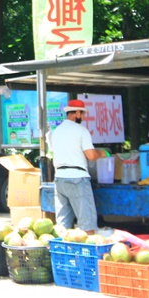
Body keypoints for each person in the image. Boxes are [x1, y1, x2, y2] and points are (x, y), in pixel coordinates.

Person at [46, 99, 101, 234]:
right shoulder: (82, 130)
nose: (83, 117)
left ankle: (62, 251)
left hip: (59, 178)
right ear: (76, 113)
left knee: (62, 223)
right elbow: (91, 156)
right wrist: (101, 153)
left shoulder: (56, 131)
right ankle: (89, 251)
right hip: (77, 178)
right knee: (87, 222)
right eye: (82, 114)